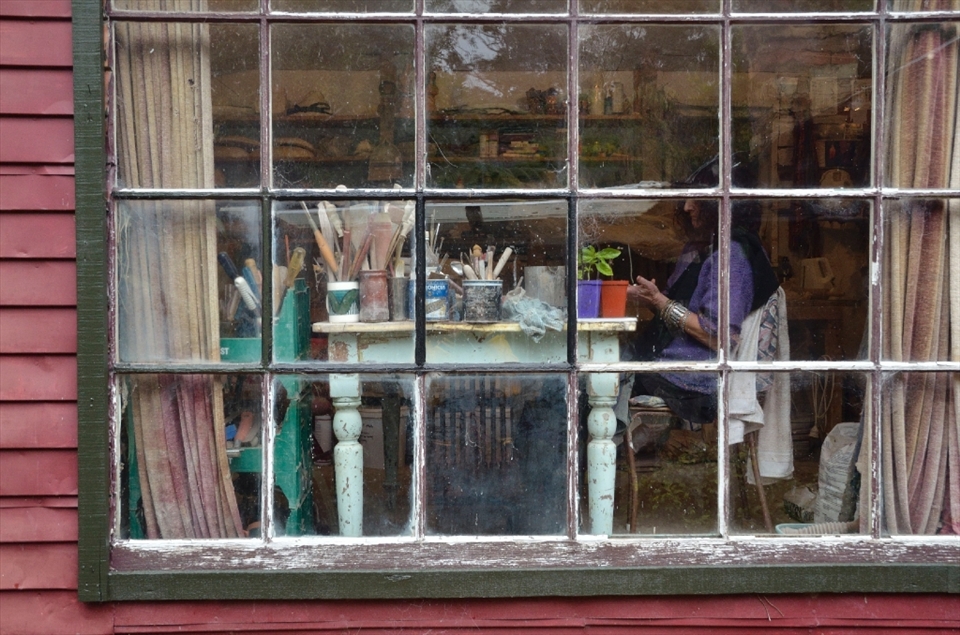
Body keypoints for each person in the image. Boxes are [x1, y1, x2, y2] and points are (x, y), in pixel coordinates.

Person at [623, 157, 780, 425]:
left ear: (720, 205)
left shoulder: (732, 258)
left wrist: (660, 302)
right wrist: (648, 297)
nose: (686, 207)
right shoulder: (699, 250)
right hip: (670, 364)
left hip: (692, 382)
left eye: (696, 200)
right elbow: (676, 308)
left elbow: (719, 338)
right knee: (605, 362)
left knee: (596, 380)